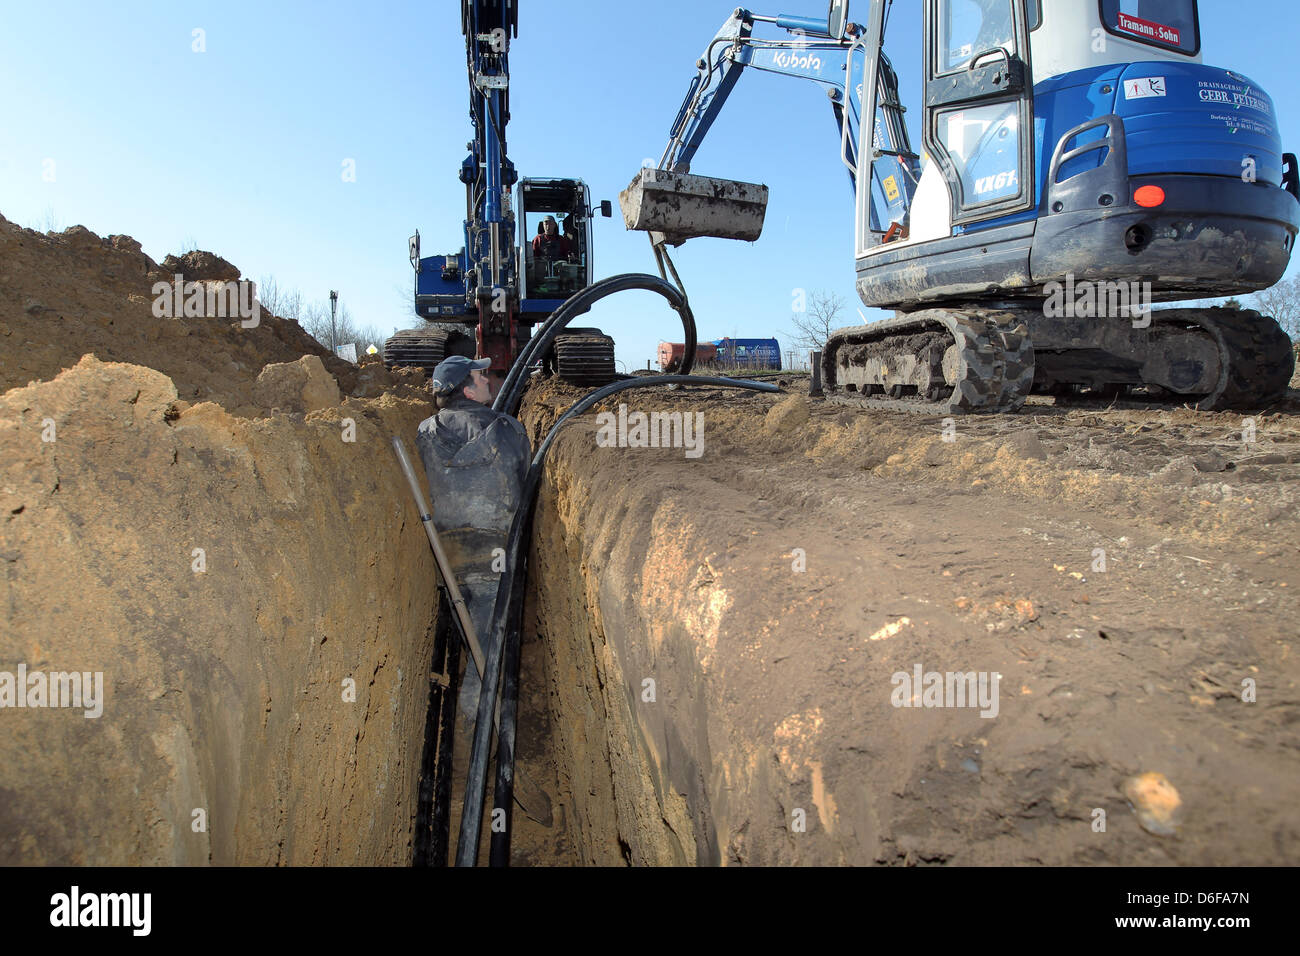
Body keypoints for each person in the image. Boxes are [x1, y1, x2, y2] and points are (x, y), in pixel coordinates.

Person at [415, 355, 532, 722]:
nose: (488, 380)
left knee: (471, 628)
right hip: (495, 558)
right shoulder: (508, 429)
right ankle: (477, 719)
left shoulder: (424, 432)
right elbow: (525, 485)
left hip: (448, 556)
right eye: (481, 377)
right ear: (466, 389)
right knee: (488, 645)